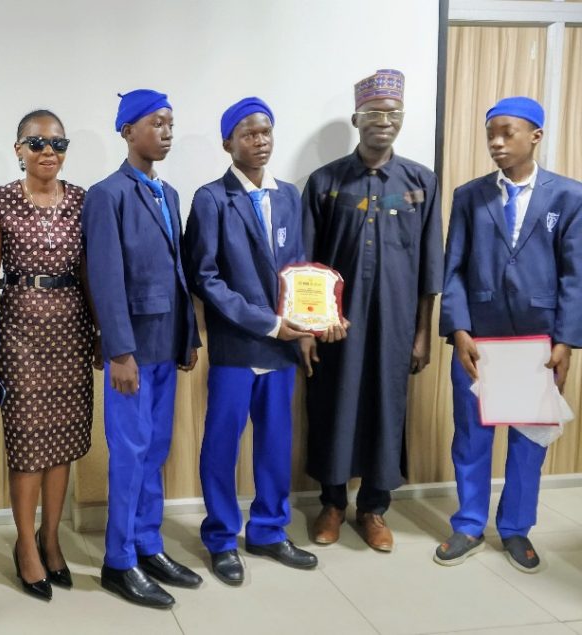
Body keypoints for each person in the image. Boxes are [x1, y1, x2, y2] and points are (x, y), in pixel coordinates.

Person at [184, 97, 335, 585]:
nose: (260, 141)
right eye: (249, 133)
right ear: (228, 143)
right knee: (221, 445)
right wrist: (268, 323)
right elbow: (205, 277)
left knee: (274, 443)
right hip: (237, 346)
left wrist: (309, 327)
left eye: (266, 131)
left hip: (283, 348)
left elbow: (299, 270)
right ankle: (221, 538)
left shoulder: (288, 194)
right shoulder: (211, 199)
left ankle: (269, 530)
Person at [434, 96, 582, 573]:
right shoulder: (469, 196)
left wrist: (565, 340)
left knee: (527, 441)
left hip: (537, 343)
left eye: (507, 133)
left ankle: (516, 528)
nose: (496, 143)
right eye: (490, 134)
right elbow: (454, 268)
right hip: (480, 341)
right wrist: (458, 328)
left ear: (535, 136)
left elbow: (575, 275)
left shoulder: (569, 197)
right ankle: (469, 524)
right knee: (471, 436)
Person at [303, 69, 444, 552]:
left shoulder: (420, 183)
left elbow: (430, 266)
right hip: (336, 325)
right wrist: (310, 328)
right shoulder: (325, 182)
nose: (384, 121)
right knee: (334, 405)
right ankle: (332, 503)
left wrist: (422, 333)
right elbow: (307, 264)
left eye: (393, 113)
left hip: (395, 324)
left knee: (387, 409)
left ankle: (373, 509)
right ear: (356, 119)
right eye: (374, 113)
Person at [83, 89, 202, 609]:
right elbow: (106, 278)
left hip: (165, 341)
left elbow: (178, 273)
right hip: (131, 350)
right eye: (156, 122)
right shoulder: (107, 194)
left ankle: (149, 545)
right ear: (128, 131)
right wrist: (119, 352)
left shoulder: (168, 193)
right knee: (130, 454)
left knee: (155, 449)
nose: (167, 131)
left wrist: (188, 335)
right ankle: (119, 559)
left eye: (171, 122)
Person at [0, 109, 97, 601]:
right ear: (19, 149)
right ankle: (25, 545)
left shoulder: (83, 200)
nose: (49, 151)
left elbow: (88, 270)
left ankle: (51, 538)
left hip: (72, 330)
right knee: (28, 445)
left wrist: (100, 330)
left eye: (58, 143)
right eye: (38, 143)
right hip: (20, 335)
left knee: (62, 442)